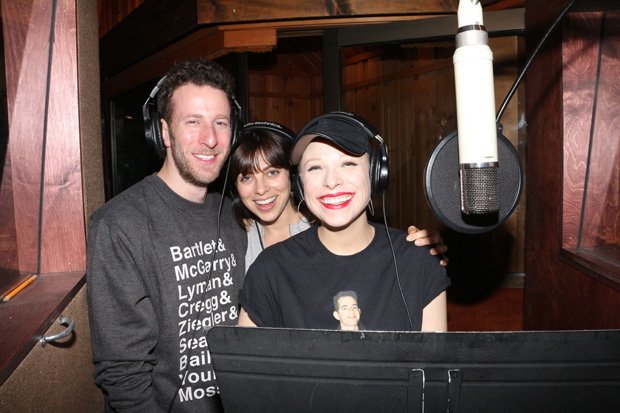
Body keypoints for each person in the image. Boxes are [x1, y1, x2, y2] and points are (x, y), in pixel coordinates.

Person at [86, 59, 247, 412]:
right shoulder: (119, 225)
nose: (210, 139)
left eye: (220, 123)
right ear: (162, 132)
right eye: (193, 122)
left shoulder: (236, 216)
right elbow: (123, 374)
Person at [238, 112, 451, 331]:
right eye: (315, 167)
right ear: (300, 185)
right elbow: (242, 362)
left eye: (348, 164)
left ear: (376, 173)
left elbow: (434, 362)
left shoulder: (419, 262)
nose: (331, 181)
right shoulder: (269, 269)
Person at [229, 122, 450, 272]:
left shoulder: (330, 223)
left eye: (272, 172)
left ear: (294, 177)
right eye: (246, 178)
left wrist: (417, 251)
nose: (260, 189)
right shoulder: (233, 237)